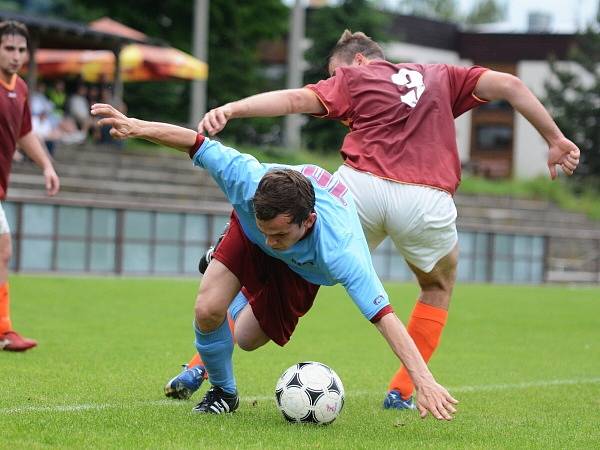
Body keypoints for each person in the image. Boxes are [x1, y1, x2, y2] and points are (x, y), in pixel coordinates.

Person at [193, 30, 581, 410]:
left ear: (359, 60)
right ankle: (403, 392)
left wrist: (235, 108)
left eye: (332, 73)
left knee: (294, 254)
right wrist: (555, 138)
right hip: (426, 199)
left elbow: (296, 98)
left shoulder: (355, 77)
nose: (331, 82)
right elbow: (511, 84)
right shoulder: (443, 75)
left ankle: (200, 365)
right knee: (436, 286)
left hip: (359, 187)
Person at [91, 102, 458, 420]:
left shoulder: (341, 251)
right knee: (207, 309)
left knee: (248, 338)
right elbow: (194, 141)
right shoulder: (245, 178)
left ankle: (231, 273)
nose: (272, 240)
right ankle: (223, 394)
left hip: (302, 272)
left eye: (280, 234)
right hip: (244, 236)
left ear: (307, 222)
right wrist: (136, 126)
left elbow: (386, 320)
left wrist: (423, 381)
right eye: (267, 229)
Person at [0, 21, 60, 351]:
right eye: (9, 48)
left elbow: (24, 133)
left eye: (21, 50)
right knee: (3, 250)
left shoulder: (20, 89)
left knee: (2, 251)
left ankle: (4, 330)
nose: (16, 55)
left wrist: (47, 166)